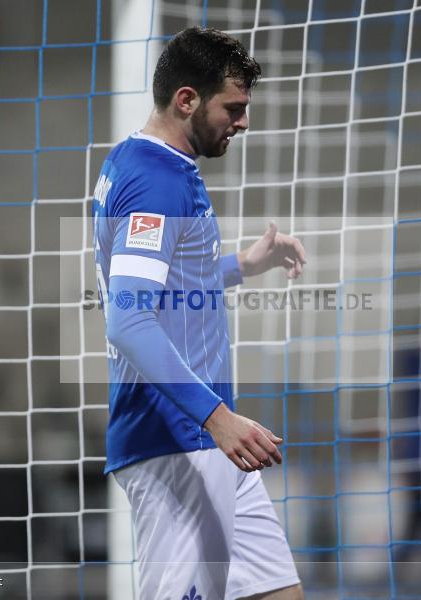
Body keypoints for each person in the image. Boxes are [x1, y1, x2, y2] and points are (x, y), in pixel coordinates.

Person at [92, 27, 306, 600]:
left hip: (206, 439)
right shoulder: (156, 182)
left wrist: (244, 263)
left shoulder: (142, 162)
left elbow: (170, 284)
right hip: (177, 441)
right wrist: (217, 418)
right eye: (233, 108)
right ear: (186, 100)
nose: (242, 122)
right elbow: (129, 320)